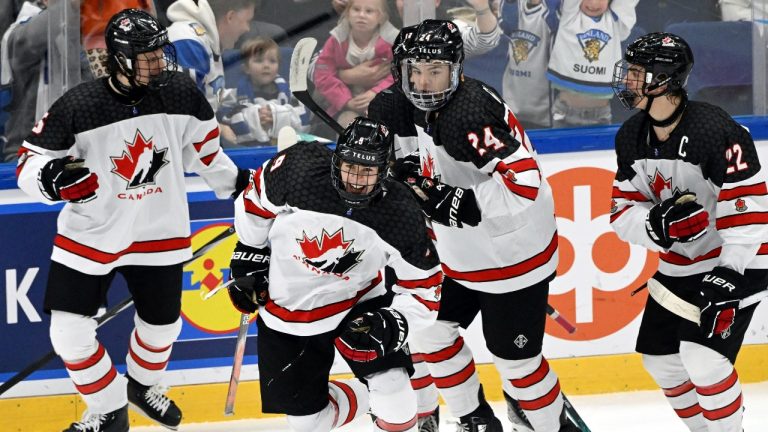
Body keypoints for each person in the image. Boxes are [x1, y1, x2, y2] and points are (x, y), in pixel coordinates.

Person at [14, 9, 245, 431]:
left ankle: (142, 386)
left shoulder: (180, 93)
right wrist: (55, 181)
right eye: (148, 56)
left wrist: (240, 187)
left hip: (160, 231)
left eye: (160, 52)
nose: (159, 62)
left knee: (163, 329)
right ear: (120, 59)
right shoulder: (79, 105)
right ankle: (108, 408)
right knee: (67, 334)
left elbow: (207, 153)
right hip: (91, 235)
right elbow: (30, 163)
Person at [384, 19, 578, 432]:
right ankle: (475, 419)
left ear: (457, 69)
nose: (423, 82)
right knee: (428, 332)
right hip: (455, 254)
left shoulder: (469, 112)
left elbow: (524, 182)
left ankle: (551, 425)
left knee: (517, 363)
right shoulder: (394, 105)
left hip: (512, 254)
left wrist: (456, 201)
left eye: (435, 70)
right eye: (414, 71)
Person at [225, 116, 442, 432]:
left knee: (395, 397)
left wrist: (397, 322)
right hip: (288, 308)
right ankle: (368, 401)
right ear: (334, 160)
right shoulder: (298, 170)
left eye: (367, 172)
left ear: (383, 173)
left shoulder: (400, 213)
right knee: (308, 425)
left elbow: (426, 292)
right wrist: (252, 254)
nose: (356, 180)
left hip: (359, 303)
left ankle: (384, 399)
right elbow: (253, 203)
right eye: (350, 167)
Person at [609, 32, 768, 432]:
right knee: (661, 361)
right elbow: (622, 212)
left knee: (704, 359)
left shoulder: (715, 130)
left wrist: (730, 273)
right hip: (683, 264)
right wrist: (655, 226)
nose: (628, 79)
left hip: (743, 257)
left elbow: (748, 213)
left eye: (637, 72)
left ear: (663, 80)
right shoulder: (631, 136)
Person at [546, 0, 638, 127]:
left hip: (600, 115)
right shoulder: (569, 15)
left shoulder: (616, 22)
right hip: (563, 113)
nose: (594, 3)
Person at [313, 0, 399, 127]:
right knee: (348, 123)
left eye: (369, 11)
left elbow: (400, 73)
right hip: (345, 105)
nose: (361, 15)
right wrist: (346, 101)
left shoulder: (393, 41)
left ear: (381, 17)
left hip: (384, 105)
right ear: (347, 13)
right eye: (356, 10)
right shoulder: (336, 40)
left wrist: (377, 94)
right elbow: (323, 74)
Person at [166, 0, 256, 112]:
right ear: (230, 17)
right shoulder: (187, 42)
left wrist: (249, 96)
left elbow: (210, 96)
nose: (248, 29)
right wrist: (221, 128)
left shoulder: (207, 41)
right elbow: (183, 112)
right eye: (247, 21)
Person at [219, 36, 310, 146]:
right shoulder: (234, 94)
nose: (266, 65)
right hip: (249, 152)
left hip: (285, 151)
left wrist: (277, 115)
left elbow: (304, 120)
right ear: (246, 68)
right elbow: (222, 118)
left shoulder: (290, 93)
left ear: (278, 67)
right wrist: (254, 116)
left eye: (272, 61)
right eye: (259, 60)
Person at [498, 0, 560, 129]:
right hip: (512, 105)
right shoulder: (511, 6)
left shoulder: (551, 10)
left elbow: (555, 21)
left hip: (543, 111)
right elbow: (507, 24)